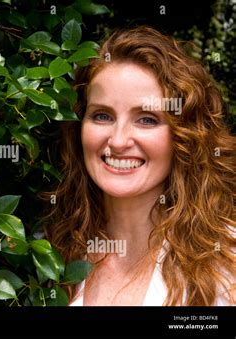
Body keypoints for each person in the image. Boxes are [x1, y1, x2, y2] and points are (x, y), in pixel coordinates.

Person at [43, 26, 236, 306]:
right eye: (102, 116)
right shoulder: (46, 253)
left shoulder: (228, 263)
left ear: (184, 136)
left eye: (146, 119)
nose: (118, 140)